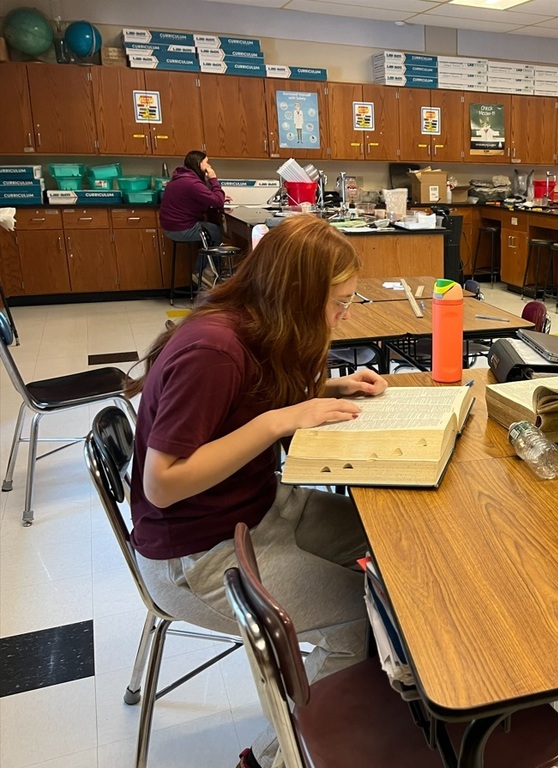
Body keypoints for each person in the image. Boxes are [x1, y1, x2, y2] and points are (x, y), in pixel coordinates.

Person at [124, 215, 388, 768]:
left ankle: (384, 707)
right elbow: (162, 483)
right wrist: (278, 422)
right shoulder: (214, 349)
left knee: (391, 544)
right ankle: (276, 757)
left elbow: (246, 399)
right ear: (298, 293)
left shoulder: (254, 324)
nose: (344, 314)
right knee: (360, 617)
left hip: (257, 509)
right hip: (198, 554)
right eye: (339, 301)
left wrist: (325, 387)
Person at [159, 150, 226, 249]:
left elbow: (198, 198)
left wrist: (214, 196)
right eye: (207, 162)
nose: (209, 166)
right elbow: (218, 202)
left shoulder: (179, 178)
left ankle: (206, 264)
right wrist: (213, 179)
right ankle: (208, 265)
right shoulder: (192, 183)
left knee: (210, 231)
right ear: (199, 163)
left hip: (170, 228)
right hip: (181, 229)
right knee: (216, 231)